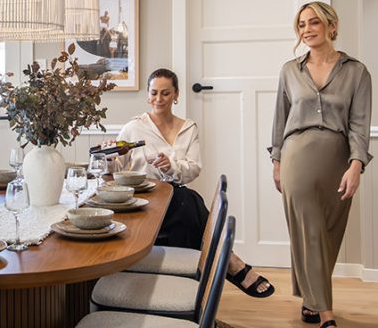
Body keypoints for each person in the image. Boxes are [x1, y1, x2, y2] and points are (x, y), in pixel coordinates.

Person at [108, 68, 275, 296]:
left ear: (176, 94)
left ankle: (185, 288)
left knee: (185, 205)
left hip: (173, 198)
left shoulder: (188, 128)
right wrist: (108, 159)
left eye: (166, 93)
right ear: (147, 95)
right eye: (154, 93)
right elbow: (115, 170)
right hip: (143, 202)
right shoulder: (133, 128)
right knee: (189, 201)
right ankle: (229, 263)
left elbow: (193, 169)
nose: (159, 99)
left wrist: (171, 166)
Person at [270, 1, 372, 328]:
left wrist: (356, 164)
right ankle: (327, 322)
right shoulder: (289, 71)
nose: (307, 29)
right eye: (301, 24)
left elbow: (360, 125)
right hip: (297, 154)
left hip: (338, 158)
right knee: (310, 230)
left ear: (332, 25)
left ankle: (310, 301)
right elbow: (280, 118)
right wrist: (277, 160)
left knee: (327, 233)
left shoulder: (357, 72)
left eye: (314, 22)